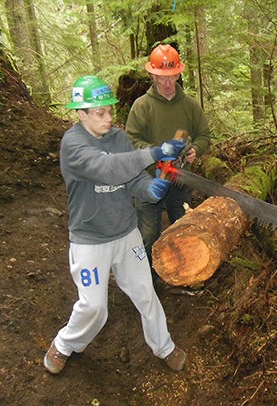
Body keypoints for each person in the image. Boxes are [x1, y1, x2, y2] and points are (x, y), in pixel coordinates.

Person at [43, 75, 188, 374]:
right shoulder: (73, 144)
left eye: (110, 110)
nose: (109, 117)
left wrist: (149, 189)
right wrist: (154, 152)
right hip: (90, 239)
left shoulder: (119, 139)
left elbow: (131, 178)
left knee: (146, 292)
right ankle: (63, 345)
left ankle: (165, 347)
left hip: (125, 233)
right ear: (81, 114)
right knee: (94, 308)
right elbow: (108, 169)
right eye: (100, 113)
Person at [126, 44, 212, 282]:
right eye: (161, 77)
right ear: (152, 75)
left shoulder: (190, 105)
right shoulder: (142, 106)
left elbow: (204, 135)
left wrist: (195, 149)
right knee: (147, 234)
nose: (166, 82)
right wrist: (156, 154)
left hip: (179, 180)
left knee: (184, 230)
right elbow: (132, 141)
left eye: (171, 76)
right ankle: (145, 282)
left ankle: (184, 274)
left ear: (178, 73)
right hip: (147, 180)